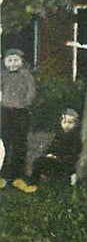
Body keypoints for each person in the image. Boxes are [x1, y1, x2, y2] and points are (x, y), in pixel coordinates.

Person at [1, 48, 37, 189]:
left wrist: (25, 103)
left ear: (22, 62)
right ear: (4, 62)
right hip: (5, 111)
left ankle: (18, 174)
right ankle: (3, 174)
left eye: (16, 60)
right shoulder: (3, 76)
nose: (13, 64)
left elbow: (31, 92)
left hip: (21, 112)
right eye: (9, 60)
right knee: (4, 141)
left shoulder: (26, 76)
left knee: (20, 142)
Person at [23, 108, 83, 190]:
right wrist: (49, 154)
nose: (67, 125)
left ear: (76, 124)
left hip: (65, 162)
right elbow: (52, 148)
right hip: (54, 159)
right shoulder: (59, 136)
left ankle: (48, 183)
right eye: (64, 122)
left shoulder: (75, 138)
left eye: (70, 123)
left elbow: (73, 154)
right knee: (38, 161)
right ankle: (33, 183)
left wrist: (59, 158)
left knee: (46, 163)